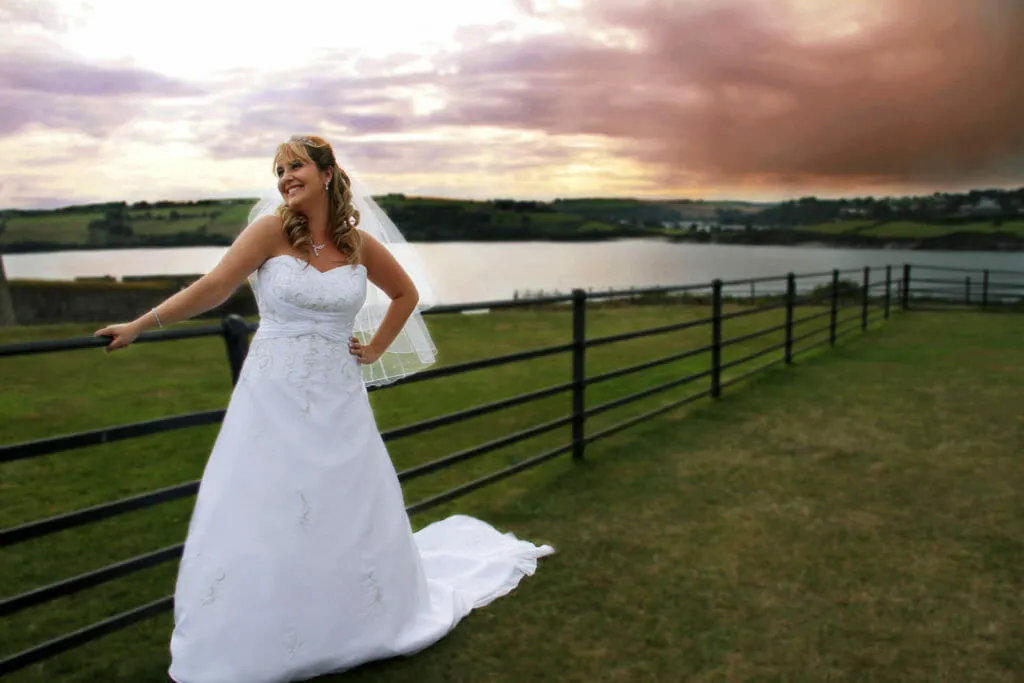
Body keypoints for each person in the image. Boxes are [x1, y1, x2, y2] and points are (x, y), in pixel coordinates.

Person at [95, 135, 554, 683]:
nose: (286, 178)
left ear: (328, 173)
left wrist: (376, 347)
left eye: (296, 167)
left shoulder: (358, 244)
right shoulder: (269, 231)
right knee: (267, 503)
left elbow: (405, 294)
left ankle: (350, 621)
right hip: (273, 396)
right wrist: (140, 324)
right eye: (279, 171)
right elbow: (215, 286)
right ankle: (261, 627)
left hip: (339, 395)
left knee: (343, 500)